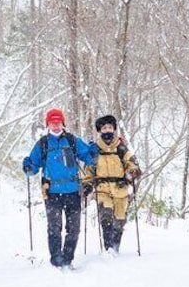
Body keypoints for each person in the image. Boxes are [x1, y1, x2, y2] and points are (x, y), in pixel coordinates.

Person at [22, 108, 97, 268]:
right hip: (52, 192)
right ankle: (56, 260)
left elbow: (88, 158)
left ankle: (67, 259)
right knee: (54, 228)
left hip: (73, 191)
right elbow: (33, 167)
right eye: (51, 123)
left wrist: (93, 152)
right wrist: (28, 166)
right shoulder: (42, 144)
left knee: (74, 229)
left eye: (57, 122)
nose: (55, 126)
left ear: (62, 123)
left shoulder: (71, 140)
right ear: (47, 125)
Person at [87, 115, 141, 255]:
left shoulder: (121, 148)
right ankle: (108, 248)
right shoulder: (95, 150)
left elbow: (131, 163)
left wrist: (132, 172)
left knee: (119, 220)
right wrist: (86, 184)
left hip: (120, 188)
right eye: (104, 128)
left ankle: (116, 247)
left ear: (114, 129)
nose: (107, 130)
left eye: (110, 127)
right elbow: (88, 169)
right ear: (100, 130)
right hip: (102, 188)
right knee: (106, 217)